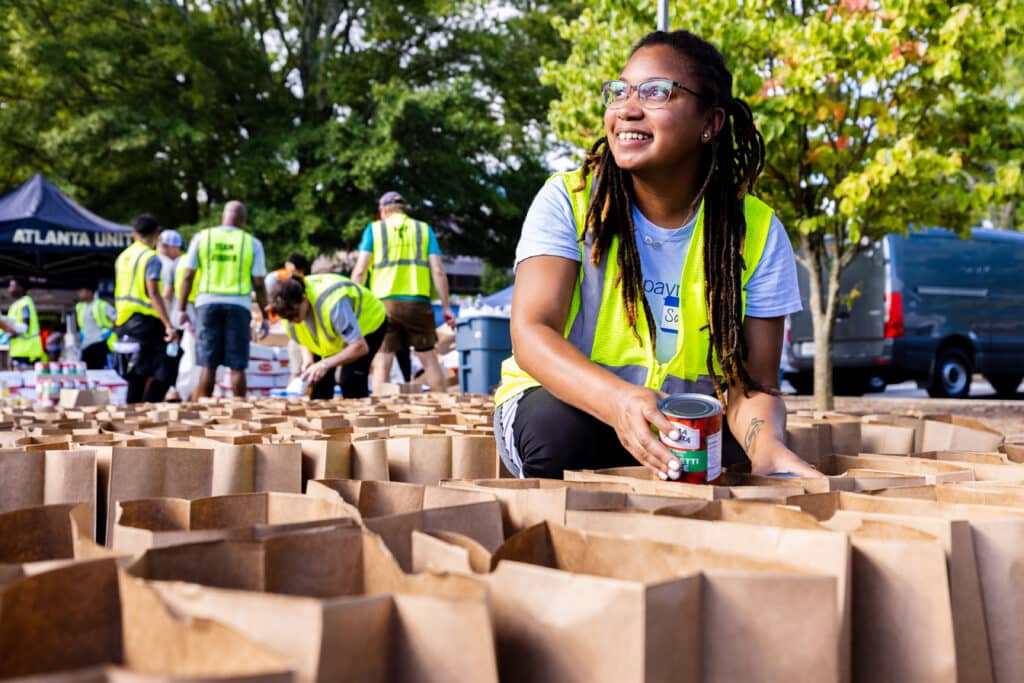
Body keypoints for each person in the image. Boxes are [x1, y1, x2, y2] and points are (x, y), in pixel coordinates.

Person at [493, 30, 819, 480]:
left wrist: (766, 448)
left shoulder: (757, 230)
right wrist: (619, 401)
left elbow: (754, 386)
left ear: (711, 122)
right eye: (619, 91)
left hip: (675, 422)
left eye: (656, 92)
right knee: (560, 438)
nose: (627, 107)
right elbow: (531, 334)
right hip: (562, 407)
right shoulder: (567, 199)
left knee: (733, 454)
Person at [351, 192, 455, 392]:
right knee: (428, 359)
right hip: (417, 302)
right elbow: (438, 270)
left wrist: (356, 306)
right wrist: (446, 306)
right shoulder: (424, 230)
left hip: (383, 305)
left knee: (382, 360)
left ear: (383, 210)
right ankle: (445, 406)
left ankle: (378, 414)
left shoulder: (374, 230)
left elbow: (360, 271)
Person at [177, 200, 268, 398]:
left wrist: (182, 309)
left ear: (223, 216)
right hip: (239, 305)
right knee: (237, 367)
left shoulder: (203, 238)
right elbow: (259, 283)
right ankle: (240, 414)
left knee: (208, 366)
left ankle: (203, 415)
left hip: (206, 304)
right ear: (243, 220)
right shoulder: (251, 243)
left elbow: (188, 276)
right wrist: (265, 314)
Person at [268, 273, 387, 399]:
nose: (292, 321)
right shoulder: (288, 313)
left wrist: (324, 364)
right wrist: (308, 361)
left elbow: (359, 347)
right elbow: (302, 339)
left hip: (369, 325)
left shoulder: (333, 304)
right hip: (335, 337)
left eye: (294, 315)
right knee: (318, 380)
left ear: (304, 298)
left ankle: (363, 417)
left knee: (350, 381)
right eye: (287, 318)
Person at [113, 214, 178, 403]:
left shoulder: (123, 257)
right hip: (146, 321)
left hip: (125, 319)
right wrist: (168, 325)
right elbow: (154, 293)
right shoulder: (151, 258)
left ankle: (132, 414)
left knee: (136, 373)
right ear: (157, 234)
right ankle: (148, 411)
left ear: (134, 234)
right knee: (164, 367)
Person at [4, 277, 45, 367]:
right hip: (19, 351)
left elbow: (25, 328)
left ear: (20, 288)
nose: (9, 289)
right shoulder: (16, 304)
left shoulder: (24, 303)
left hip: (28, 352)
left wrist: (9, 329)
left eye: (12, 286)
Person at [75, 285, 116, 369]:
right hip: (85, 345)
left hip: (99, 343)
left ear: (90, 292)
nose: (79, 293)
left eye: (81, 291)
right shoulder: (79, 306)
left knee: (99, 371)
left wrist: (109, 331)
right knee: (87, 371)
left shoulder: (102, 305)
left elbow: (117, 319)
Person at [157, 229, 183, 307]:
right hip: (165, 308)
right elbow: (167, 294)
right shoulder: (169, 264)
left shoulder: (150, 259)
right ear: (172, 247)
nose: (180, 252)